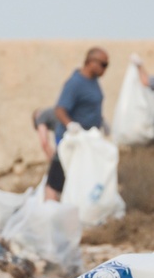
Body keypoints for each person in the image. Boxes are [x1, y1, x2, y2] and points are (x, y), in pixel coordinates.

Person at [46, 47, 109, 201]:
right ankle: (48, 211)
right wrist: (71, 125)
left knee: (79, 179)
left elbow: (91, 106)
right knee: (56, 179)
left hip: (87, 142)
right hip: (70, 141)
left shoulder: (93, 82)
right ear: (91, 62)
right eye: (103, 64)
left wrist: (102, 121)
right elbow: (60, 109)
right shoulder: (75, 83)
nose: (105, 69)